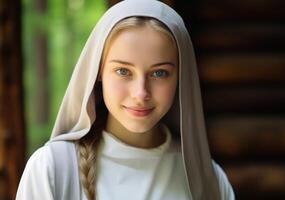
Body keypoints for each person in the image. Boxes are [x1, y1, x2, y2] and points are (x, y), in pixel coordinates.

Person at [16, 0, 235, 199]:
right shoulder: (52, 170)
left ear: (181, 77)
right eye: (123, 71)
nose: (140, 93)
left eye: (159, 73)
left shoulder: (208, 180)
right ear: (98, 71)